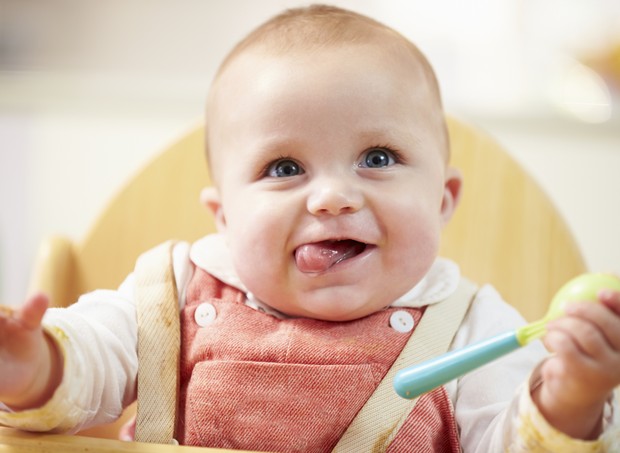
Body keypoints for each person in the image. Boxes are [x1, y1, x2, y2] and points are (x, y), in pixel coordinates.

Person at [1, 4, 619, 452]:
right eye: (284, 167)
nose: (331, 197)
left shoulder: (472, 330)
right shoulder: (172, 292)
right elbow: (91, 359)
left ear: (442, 200)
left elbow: (509, 441)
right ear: (225, 217)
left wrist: (569, 400)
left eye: (377, 158)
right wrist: (32, 367)